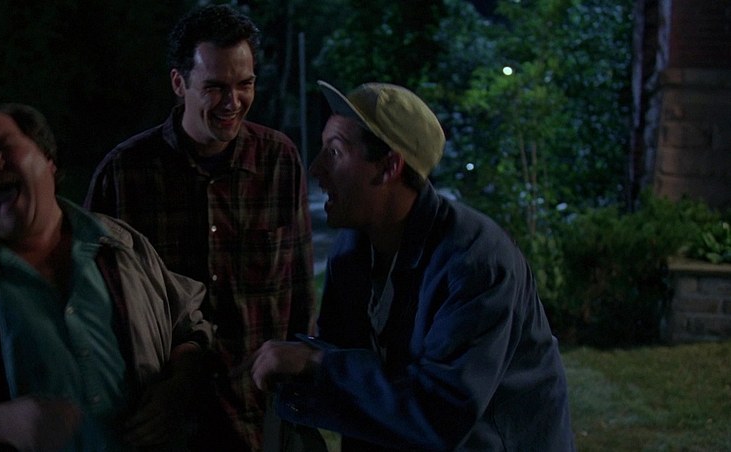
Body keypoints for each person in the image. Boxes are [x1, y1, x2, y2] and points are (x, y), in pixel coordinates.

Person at [246, 80, 576, 451]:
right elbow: (360, 394)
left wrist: (319, 364)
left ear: (389, 167)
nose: (316, 167)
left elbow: (440, 413)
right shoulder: (352, 251)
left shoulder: (476, 261)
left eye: (335, 152)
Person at [0, 101, 213, 450]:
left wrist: (177, 388)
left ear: (49, 162)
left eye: (4, 147)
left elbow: (189, 330)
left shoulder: (123, 248)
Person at [84, 4, 317, 451]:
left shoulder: (279, 161)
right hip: (162, 421)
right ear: (179, 83)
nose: (233, 102)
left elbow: (300, 292)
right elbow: (95, 305)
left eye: (245, 84)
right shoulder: (125, 174)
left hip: (256, 414)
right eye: (215, 87)